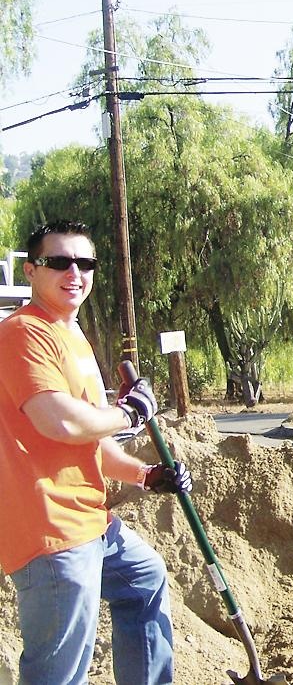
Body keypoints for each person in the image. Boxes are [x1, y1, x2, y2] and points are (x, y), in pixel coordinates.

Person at [0, 220, 193, 685]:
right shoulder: (24, 334)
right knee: (61, 672)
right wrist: (132, 414)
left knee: (143, 580)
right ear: (31, 271)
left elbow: (92, 440)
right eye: (59, 261)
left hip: (91, 521)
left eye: (85, 263)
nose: (75, 272)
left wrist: (145, 474)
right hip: (52, 528)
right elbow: (61, 421)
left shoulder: (74, 336)